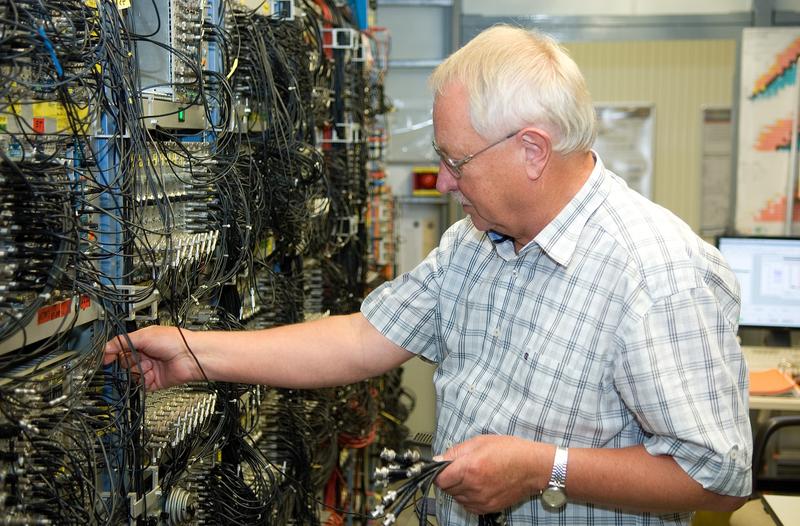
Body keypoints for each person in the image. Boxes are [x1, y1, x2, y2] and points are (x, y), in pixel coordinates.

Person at [105, 25, 752, 525]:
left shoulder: (660, 273)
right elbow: (363, 338)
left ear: (530, 149)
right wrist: (192, 354)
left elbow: (720, 480)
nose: (442, 182)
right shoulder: (473, 244)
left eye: (455, 160)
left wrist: (542, 470)